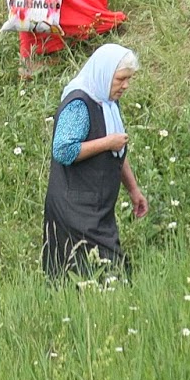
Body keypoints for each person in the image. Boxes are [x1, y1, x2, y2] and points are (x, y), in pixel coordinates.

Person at [42, 45, 148, 278]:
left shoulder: (107, 103)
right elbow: (64, 150)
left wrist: (133, 190)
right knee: (98, 275)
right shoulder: (80, 103)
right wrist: (107, 142)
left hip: (97, 207)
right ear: (104, 74)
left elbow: (118, 152)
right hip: (73, 208)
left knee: (103, 275)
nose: (125, 85)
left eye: (129, 79)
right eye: (120, 79)